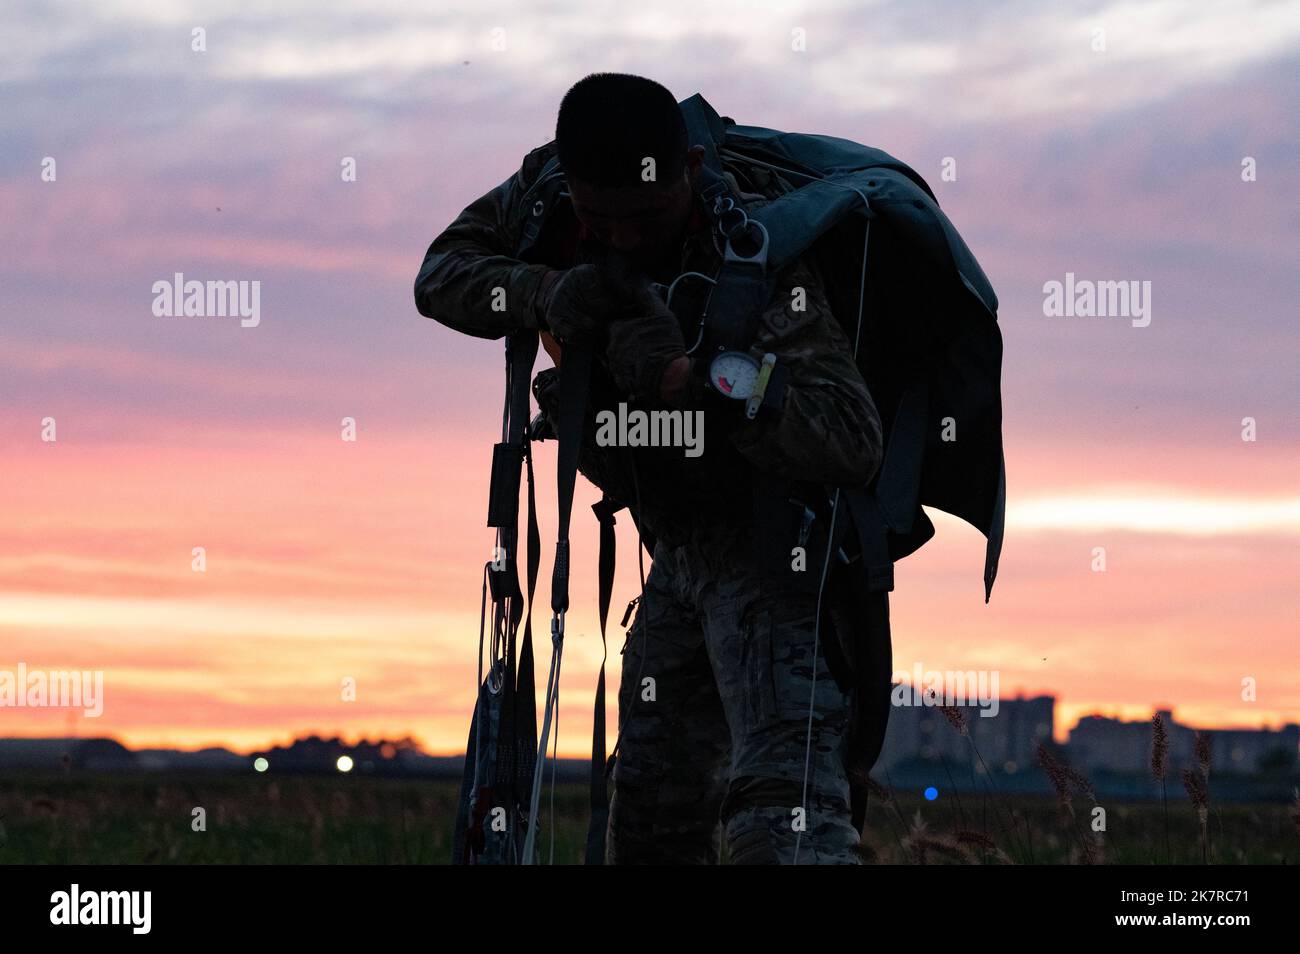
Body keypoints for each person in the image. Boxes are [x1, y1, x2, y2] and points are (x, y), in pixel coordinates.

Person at [415, 72, 883, 864]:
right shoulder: (549, 202)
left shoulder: (753, 254)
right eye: (603, 220)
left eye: (647, 216)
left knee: (783, 827)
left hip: (778, 560)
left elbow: (852, 437)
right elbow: (441, 276)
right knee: (650, 827)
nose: (625, 239)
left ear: (690, 171)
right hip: (676, 558)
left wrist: (697, 381)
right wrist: (548, 291)